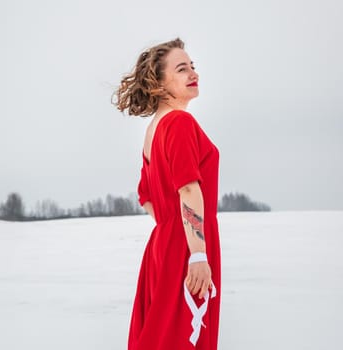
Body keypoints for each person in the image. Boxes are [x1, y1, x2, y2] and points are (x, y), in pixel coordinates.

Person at [114, 38, 221, 350]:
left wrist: (169, 226)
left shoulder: (154, 130)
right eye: (181, 68)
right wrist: (197, 252)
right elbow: (188, 188)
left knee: (161, 336)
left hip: (164, 245)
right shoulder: (179, 122)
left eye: (193, 66)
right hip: (186, 248)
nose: (192, 73)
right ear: (158, 83)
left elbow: (147, 197)